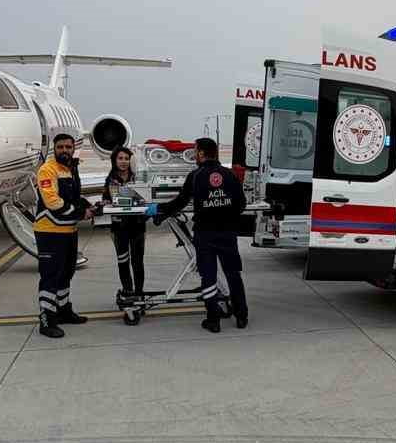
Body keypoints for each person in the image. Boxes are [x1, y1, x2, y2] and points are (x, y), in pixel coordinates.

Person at [149, 136, 248, 333]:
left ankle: (213, 320)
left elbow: (179, 203)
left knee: (208, 276)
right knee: (233, 274)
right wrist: (226, 215)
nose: (194, 154)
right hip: (227, 233)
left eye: (195, 151)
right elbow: (242, 204)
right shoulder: (230, 175)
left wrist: (158, 209)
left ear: (201, 153)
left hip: (206, 234)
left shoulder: (195, 176)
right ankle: (241, 316)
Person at [34, 132, 94, 338]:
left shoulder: (70, 169)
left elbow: (74, 197)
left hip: (69, 231)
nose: (65, 151)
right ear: (54, 149)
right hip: (50, 232)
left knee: (66, 274)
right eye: (60, 147)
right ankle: (47, 320)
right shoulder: (47, 170)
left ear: (73, 148)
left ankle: (63, 311)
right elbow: (53, 202)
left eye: (68, 147)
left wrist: (89, 206)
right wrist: (80, 212)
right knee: (50, 276)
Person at [101, 145, 147, 313]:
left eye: (126, 158)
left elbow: (144, 198)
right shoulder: (110, 179)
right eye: (120, 158)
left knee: (138, 262)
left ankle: (139, 294)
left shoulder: (138, 177)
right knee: (123, 261)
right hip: (119, 228)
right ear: (114, 160)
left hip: (137, 226)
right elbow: (106, 198)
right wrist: (106, 203)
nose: (123, 162)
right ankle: (128, 292)